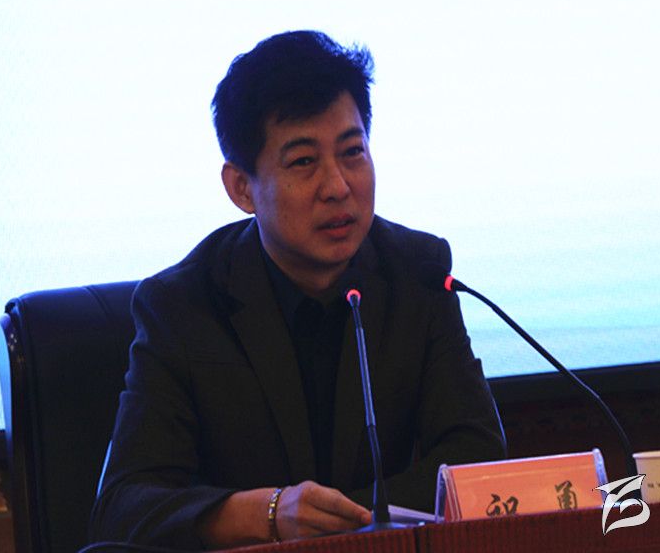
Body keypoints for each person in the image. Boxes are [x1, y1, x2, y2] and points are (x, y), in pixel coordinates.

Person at [89, 30, 505, 550]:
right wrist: (268, 513)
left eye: (352, 152)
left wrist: (345, 528)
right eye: (304, 162)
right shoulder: (182, 307)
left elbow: (477, 455)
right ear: (242, 188)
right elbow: (123, 508)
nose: (338, 186)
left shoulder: (416, 273)